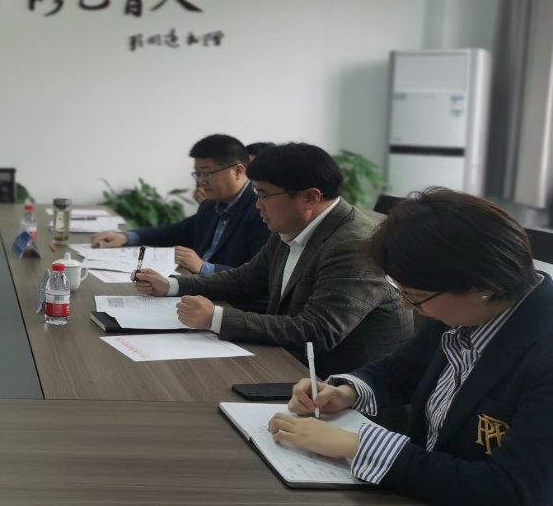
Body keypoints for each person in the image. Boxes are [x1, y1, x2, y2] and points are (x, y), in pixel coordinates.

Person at [269, 189, 553, 506]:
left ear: (482, 286)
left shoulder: (541, 353)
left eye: (415, 296)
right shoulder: (468, 309)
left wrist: (358, 446)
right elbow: (402, 370)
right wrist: (345, 393)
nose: (406, 305)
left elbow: (512, 490)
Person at [134, 143, 412, 375]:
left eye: (264, 195)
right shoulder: (292, 225)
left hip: (342, 390)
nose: (257, 205)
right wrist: (172, 286)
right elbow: (245, 280)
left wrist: (215, 317)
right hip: (291, 368)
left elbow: (317, 331)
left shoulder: (354, 245)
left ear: (310, 197)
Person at [90, 134, 269, 274]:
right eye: (197, 174)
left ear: (237, 171)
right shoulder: (210, 205)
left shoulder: (262, 211)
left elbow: (259, 276)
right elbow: (175, 232)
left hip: (227, 301)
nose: (201, 182)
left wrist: (204, 267)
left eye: (207, 174)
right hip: (195, 286)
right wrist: (127, 237)